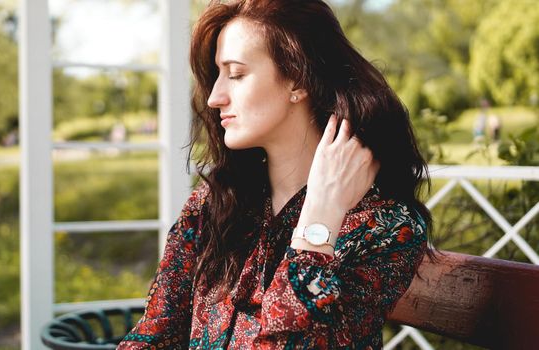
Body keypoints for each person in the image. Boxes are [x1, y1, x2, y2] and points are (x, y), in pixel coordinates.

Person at [118, 0, 436, 348]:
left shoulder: (384, 227)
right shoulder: (214, 204)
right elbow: (153, 335)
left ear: (298, 79)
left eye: (236, 74)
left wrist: (319, 222)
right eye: (218, 75)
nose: (214, 97)